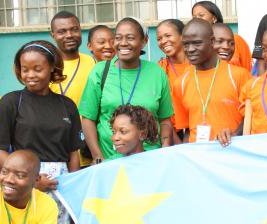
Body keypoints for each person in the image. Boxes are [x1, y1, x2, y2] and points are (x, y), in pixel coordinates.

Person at [0, 40, 83, 224]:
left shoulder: (66, 105)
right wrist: (27, 180)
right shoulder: (11, 102)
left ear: (52, 68)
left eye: (37, 69)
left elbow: (73, 153)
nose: (30, 75)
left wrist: (73, 190)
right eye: (24, 69)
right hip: (23, 188)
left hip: (58, 188)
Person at [79, 17, 174, 162]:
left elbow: (165, 119)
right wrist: (98, 157)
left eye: (130, 38)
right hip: (110, 160)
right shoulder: (100, 71)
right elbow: (88, 119)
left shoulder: (157, 72)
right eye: (118, 38)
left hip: (151, 159)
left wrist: (165, 148)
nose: (123, 43)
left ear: (144, 41)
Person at [173, 18, 252, 143]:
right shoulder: (180, 83)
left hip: (230, 152)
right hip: (198, 157)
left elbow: (251, 118)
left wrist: (235, 134)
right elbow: (187, 129)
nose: (190, 49)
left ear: (212, 42)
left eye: (197, 43)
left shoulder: (239, 76)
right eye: (186, 44)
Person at [48, 11, 95, 107]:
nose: (69, 35)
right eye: (62, 32)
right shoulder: (47, 65)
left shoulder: (92, 62)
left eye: (74, 29)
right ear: (53, 36)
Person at [191, 0, 253, 71]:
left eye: (201, 15)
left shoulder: (236, 39)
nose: (197, 20)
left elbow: (248, 68)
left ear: (214, 18)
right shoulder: (194, 44)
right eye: (194, 17)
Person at [156, 19, 190, 88]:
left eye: (168, 36)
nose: (163, 41)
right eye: (159, 39)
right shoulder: (160, 68)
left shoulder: (199, 64)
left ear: (182, 36)